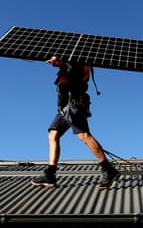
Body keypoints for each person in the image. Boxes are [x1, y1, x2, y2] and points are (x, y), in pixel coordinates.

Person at [31, 56, 120, 190]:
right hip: (65, 106)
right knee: (53, 134)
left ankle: (109, 170)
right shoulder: (72, 61)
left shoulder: (80, 62)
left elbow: (75, 72)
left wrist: (61, 64)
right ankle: (50, 174)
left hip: (74, 104)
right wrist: (60, 63)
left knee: (83, 135)